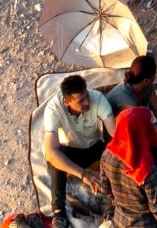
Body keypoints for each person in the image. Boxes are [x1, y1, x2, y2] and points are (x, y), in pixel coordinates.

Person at [37, 74, 114, 217]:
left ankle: (113, 202)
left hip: (94, 147)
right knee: (56, 157)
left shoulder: (97, 99)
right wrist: (83, 174)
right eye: (80, 101)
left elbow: (114, 133)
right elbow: (51, 152)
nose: (87, 102)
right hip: (71, 152)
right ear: (67, 102)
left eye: (87, 96)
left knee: (115, 149)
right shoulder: (53, 110)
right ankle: (59, 212)